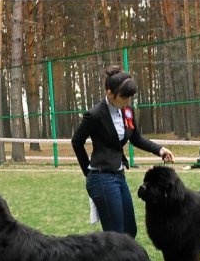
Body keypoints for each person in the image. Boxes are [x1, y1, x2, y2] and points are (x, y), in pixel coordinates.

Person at [71, 65, 175, 238]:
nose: (128, 102)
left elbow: (136, 138)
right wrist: (88, 172)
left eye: (130, 98)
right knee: (116, 237)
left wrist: (160, 150)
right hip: (102, 178)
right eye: (124, 97)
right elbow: (77, 142)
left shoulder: (127, 111)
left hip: (119, 176)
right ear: (109, 93)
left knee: (129, 231)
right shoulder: (95, 115)